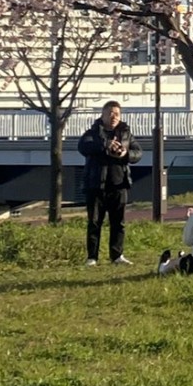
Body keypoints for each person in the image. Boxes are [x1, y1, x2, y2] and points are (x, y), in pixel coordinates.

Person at [77, 99, 143, 266]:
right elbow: (83, 147)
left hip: (119, 184)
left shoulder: (126, 133)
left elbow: (138, 153)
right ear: (103, 114)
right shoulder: (93, 133)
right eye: (110, 113)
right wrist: (106, 145)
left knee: (118, 223)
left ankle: (117, 255)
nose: (113, 117)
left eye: (117, 114)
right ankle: (92, 257)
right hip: (96, 185)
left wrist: (125, 154)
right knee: (94, 222)